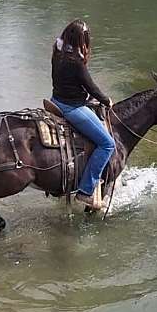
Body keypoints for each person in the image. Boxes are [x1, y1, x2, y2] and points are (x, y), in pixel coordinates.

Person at [51, 19, 115, 209]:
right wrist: (106, 100)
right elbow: (91, 86)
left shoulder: (58, 51)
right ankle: (86, 191)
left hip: (55, 100)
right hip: (72, 108)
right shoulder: (76, 62)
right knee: (107, 144)